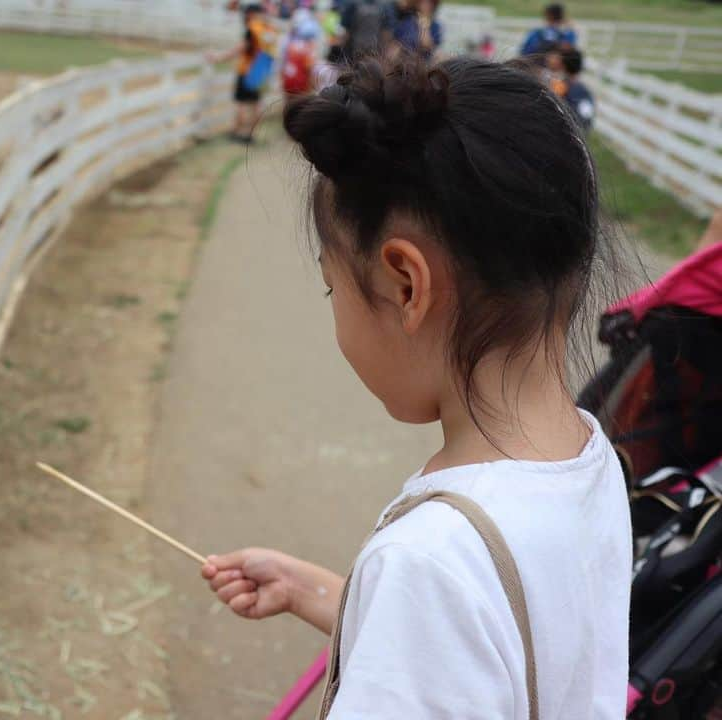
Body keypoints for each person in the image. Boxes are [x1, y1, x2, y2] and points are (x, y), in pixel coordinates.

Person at [202, 53, 631, 718]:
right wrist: (312, 590)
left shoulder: (429, 560)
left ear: (406, 284)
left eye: (331, 284)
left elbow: (444, 603)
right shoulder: (589, 458)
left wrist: (395, 584)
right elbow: (504, 645)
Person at [213, 3, 277, 142]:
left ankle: (237, 132)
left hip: (247, 70)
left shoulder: (253, 28)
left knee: (241, 103)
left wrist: (219, 57)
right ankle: (250, 135)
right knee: (255, 104)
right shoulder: (269, 29)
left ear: (251, 14)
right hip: (262, 73)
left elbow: (242, 47)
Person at [558, 47, 595, 132]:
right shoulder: (586, 92)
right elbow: (587, 121)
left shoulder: (557, 87)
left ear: (563, 66)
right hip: (578, 137)